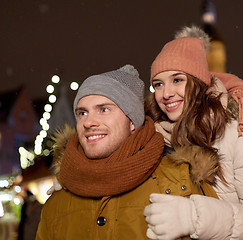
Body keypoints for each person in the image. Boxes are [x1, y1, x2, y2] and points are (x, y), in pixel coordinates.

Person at [36, 65, 220, 239]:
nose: (88, 122)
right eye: (82, 113)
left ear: (132, 121)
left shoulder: (181, 181)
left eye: (104, 109)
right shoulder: (57, 200)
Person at [143, 26, 243, 239]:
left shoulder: (241, 129)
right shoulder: (154, 134)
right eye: (158, 84)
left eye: (178, 80)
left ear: (198, 81)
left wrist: (196, 218)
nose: (166, 94)